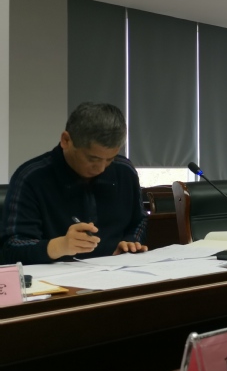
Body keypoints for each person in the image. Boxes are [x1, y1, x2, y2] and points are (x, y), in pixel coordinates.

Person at [0, 102, 147, 265]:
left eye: (109, 159)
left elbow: (139, 221)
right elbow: (11, 248)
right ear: (66, 140)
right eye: (93, 159)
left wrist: (131, 241)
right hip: (55, 277)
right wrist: (58, 246)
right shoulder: (31, 178)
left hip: (118, 272)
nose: (101, 168)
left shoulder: (124, 171)